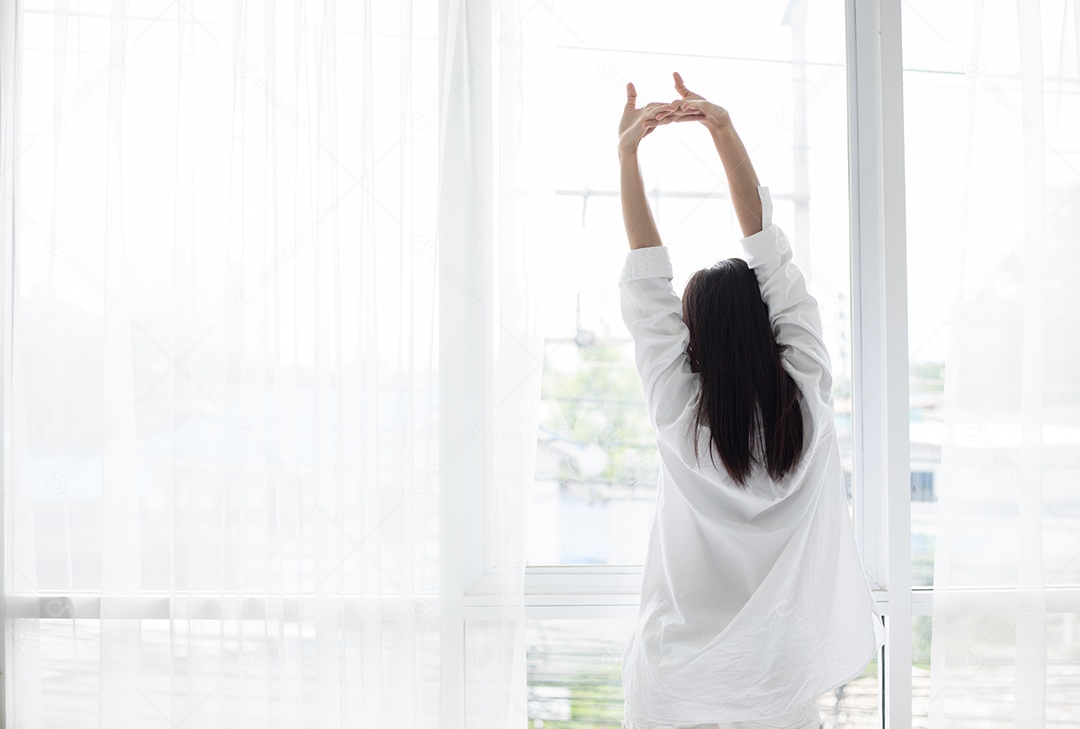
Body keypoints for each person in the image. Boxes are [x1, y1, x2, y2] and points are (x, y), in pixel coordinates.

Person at [614, 72, 886, 729]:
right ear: (769, 332)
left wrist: (627, 156)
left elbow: (648, 281)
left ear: (694, 344)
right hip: (777, 686)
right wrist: (724, 130)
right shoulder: (810, 404)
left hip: (673, 684)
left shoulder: (682, 417)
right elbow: (774, 261)